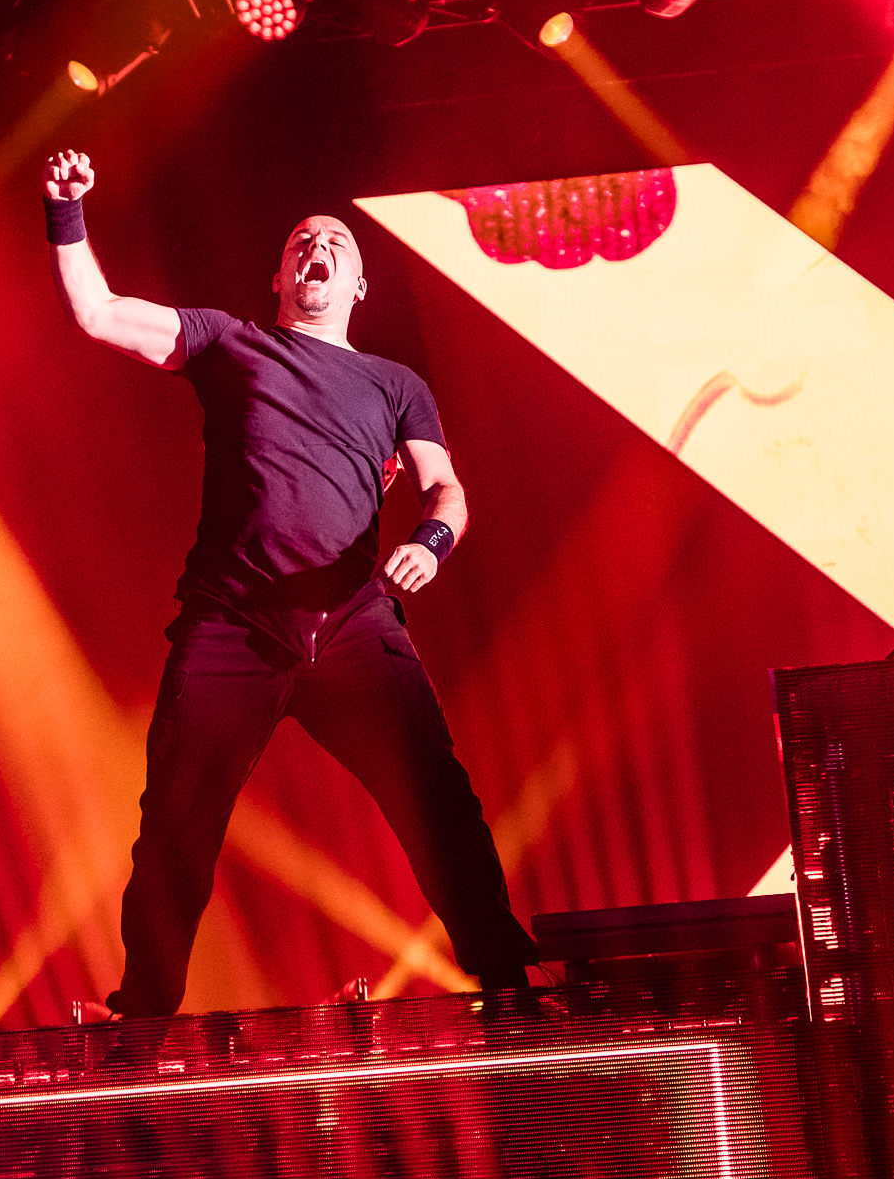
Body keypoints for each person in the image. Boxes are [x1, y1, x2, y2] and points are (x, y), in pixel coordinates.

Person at [43, 148, 540, 1016]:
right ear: (278, 276)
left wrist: (430, 542)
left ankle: (507, 986)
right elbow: (97, 313)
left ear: (357, 287)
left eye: (336, 243)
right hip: (232, 621)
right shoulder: (228, 342)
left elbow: (447, 490)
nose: (317, 248)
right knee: (177, 819)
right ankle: (145, 1012)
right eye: (301, 241)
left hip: (350, 622)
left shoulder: (394, 383)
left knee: (435, 799)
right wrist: (65, 211)